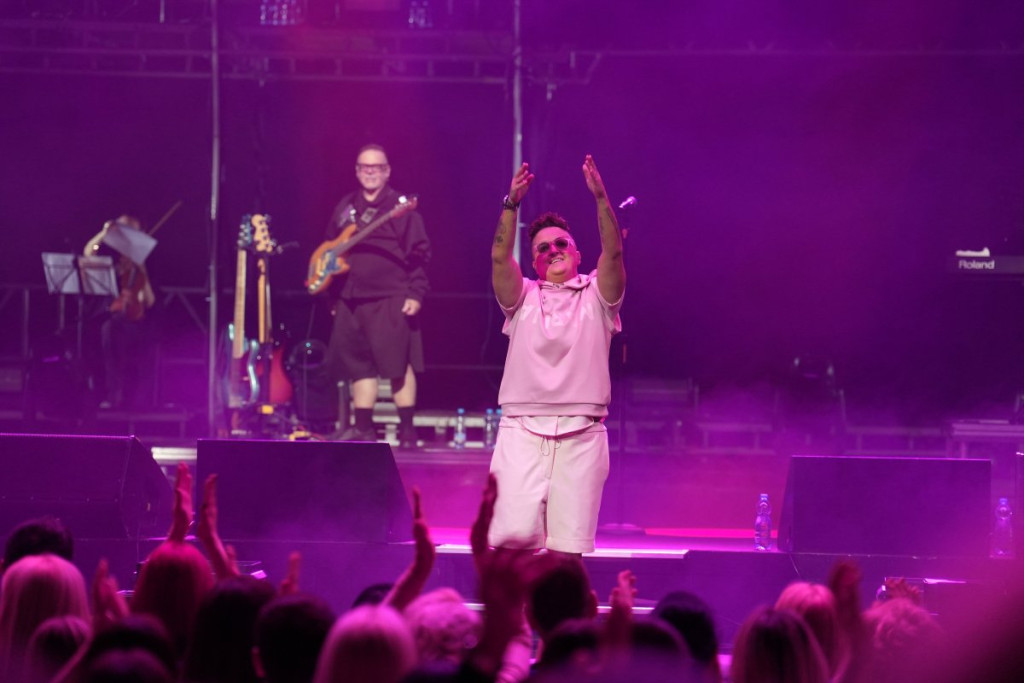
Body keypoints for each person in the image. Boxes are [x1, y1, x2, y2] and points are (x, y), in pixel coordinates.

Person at [488, 155, 625, 555]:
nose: (553, 250)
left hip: (581, 435)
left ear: (578, 254)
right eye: (543, 248)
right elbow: (499, 258)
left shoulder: (598, 295)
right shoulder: (523, 297)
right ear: (534, 262)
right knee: (512, 554)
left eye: (562, 243)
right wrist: (511, 204)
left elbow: (614, 255)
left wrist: (600, 198)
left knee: (566, 557)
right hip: (520, 432)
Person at [321, 144, 430, 447]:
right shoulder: (346, 207)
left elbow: (420, 255)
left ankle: (407, 432)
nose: (370, 172)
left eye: (377, 167)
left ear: (387, 171)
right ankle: (363, 429)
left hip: (391, 297)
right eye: (365, 167)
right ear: (357, 171)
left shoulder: (401, 208)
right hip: (350, 298)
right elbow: (330, 249)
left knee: (397, 364)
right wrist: (332, 296)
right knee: (358, 366)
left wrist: (416, 293)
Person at [83, 215, 156, 409]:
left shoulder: (143, 264)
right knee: (107, 329)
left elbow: (150, 301)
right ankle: (100, 393)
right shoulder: (111, 260)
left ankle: (115, 393)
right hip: (109, 317)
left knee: (111, 331)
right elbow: (88, 253)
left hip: (134, 323)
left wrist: (142, 270)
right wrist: (104, 232)